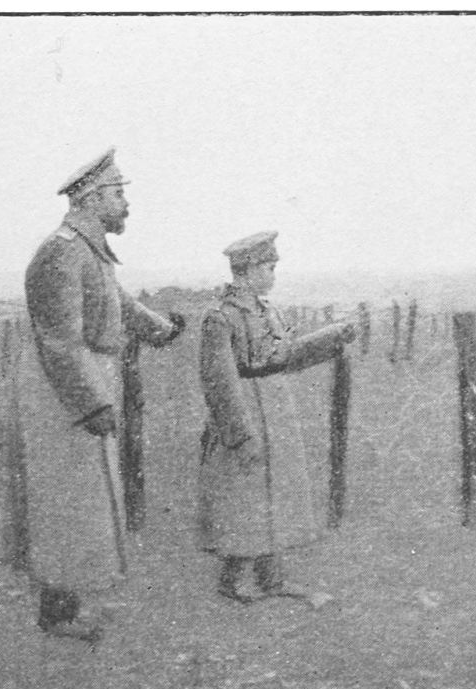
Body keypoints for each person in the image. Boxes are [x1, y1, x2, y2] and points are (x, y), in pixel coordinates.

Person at [18, 147, 185, 641]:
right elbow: (58, 342)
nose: (125, 205)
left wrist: (161, 330)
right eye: (117, 195)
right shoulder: (62, 252)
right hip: (63, 394)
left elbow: (118, 303)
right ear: (91, 199)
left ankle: (67, 605)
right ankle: (57, 614)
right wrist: (91, 403)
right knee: (66, 499)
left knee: (83, 498)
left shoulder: (89, 250)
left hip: (84, 381)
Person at [197, 231, 356, 604]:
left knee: (277, 491)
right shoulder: (220, 317)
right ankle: (232, 579)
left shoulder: (268, 311)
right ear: (248, 269)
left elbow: (286, 357)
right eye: (269, 267)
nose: (273, 274)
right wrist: (239, 434)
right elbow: (219, 381)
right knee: (243, 495)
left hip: (277, 408)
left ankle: (272, 578)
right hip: (245, 410)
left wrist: (333, 336)